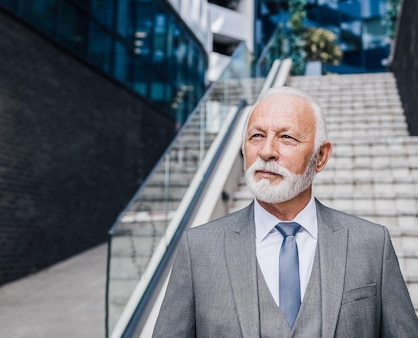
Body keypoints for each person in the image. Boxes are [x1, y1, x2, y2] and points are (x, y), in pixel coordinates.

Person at [152, 86, 418, 337]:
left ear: (321, 156)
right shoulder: (198, 248)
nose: (266, 151)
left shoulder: (371, 244)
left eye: (286, 137)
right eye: (257, 136)